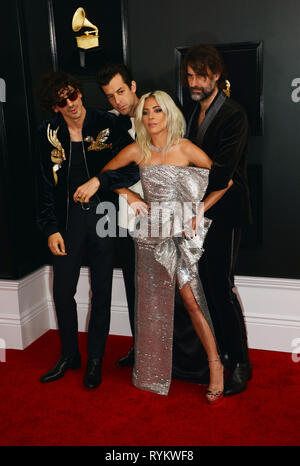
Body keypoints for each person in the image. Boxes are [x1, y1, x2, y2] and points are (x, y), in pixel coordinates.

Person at [93, 90, 233, 403]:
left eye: (158, 110)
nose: (152, 117)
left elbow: (225, 181)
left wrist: (200, 209)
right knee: (151, 304)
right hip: (149, 233)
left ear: (168, 113)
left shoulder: (184, 147)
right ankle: (152, 371)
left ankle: (215, 366)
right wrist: (130, 196)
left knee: (192, 300)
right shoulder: (137, 150)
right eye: (146, 112)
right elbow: (106, 175)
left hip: (179, 232)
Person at [36, 71, 132, 389]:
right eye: (63, 100)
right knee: (63, 292)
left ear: (80, 92)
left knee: (101, 291)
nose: (72, 103)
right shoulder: (48, 132)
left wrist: (100, 181)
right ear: (55, 106)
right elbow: (44, 187)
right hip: (67, 223)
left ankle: (94, 360)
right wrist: (50, 228)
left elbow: (135, 164)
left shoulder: (107, 122)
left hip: (103, 216)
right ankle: (69, 355)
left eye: (73, 94)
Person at [181, 44, 253, 396]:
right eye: (190, 75)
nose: (193, 82)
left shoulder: (234, 115)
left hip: (223, 212)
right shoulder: (190, 113)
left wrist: (198, 207)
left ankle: (240, 362)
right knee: (207, 288)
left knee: (221, 288)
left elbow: (223, 174)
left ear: (216, 76)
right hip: (199, 212)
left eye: (200, 76)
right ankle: (221, 353)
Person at [96, 63, 142, 367]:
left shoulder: (159, 111)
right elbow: (105, 171)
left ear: (133, 86)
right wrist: (127, 194)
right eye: (111, 97)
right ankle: (141, 349)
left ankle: (171, 351)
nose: (118, 101)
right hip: (127, 218)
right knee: (133, 284)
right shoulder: (110, 125)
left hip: (164, 214)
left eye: (121, 92)